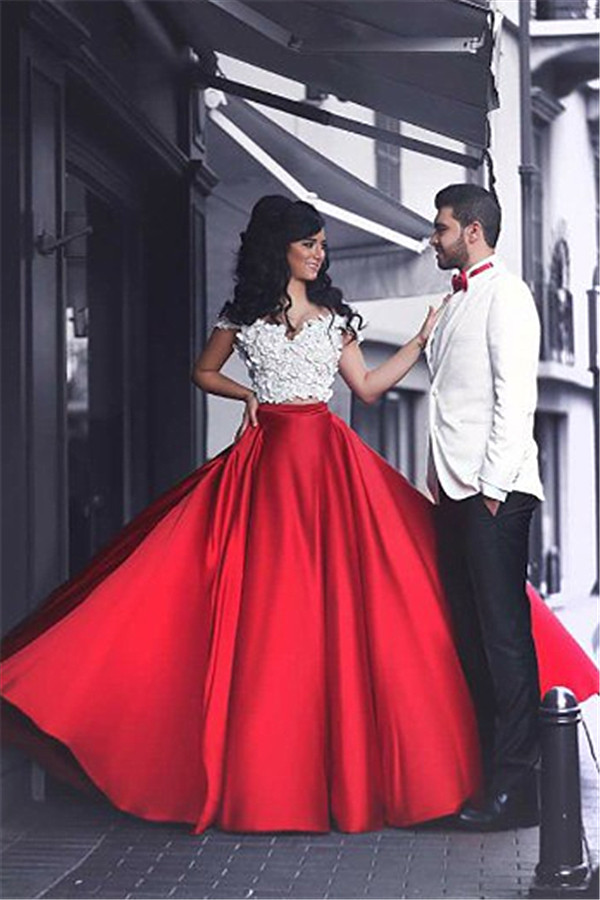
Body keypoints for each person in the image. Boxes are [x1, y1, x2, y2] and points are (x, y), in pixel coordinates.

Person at [0, 195, 596, 835]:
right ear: (278, 249)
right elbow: (204, 371)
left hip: (338, 466)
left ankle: (496, 775)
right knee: (251, 610)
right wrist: (248, 392)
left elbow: (368, 389)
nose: (320, 252)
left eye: (320, 243)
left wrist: (421, 344)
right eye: (309, 243)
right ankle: (261, 776)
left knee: (384, 609)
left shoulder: (346, 315)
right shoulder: (244, 314)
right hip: (269, 469)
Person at [427, 183, 547, 830]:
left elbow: (515, 399)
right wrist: (439, 482)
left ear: (471, 231)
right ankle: (487, 783)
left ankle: (516, 793)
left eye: (441, 228)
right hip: (453, 490)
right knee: (472, 640)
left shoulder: (508, 295)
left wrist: (494, 489)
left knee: (503, 641)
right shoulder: (452, 302)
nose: (433, 238)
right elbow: (448, 398)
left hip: (494, 492)